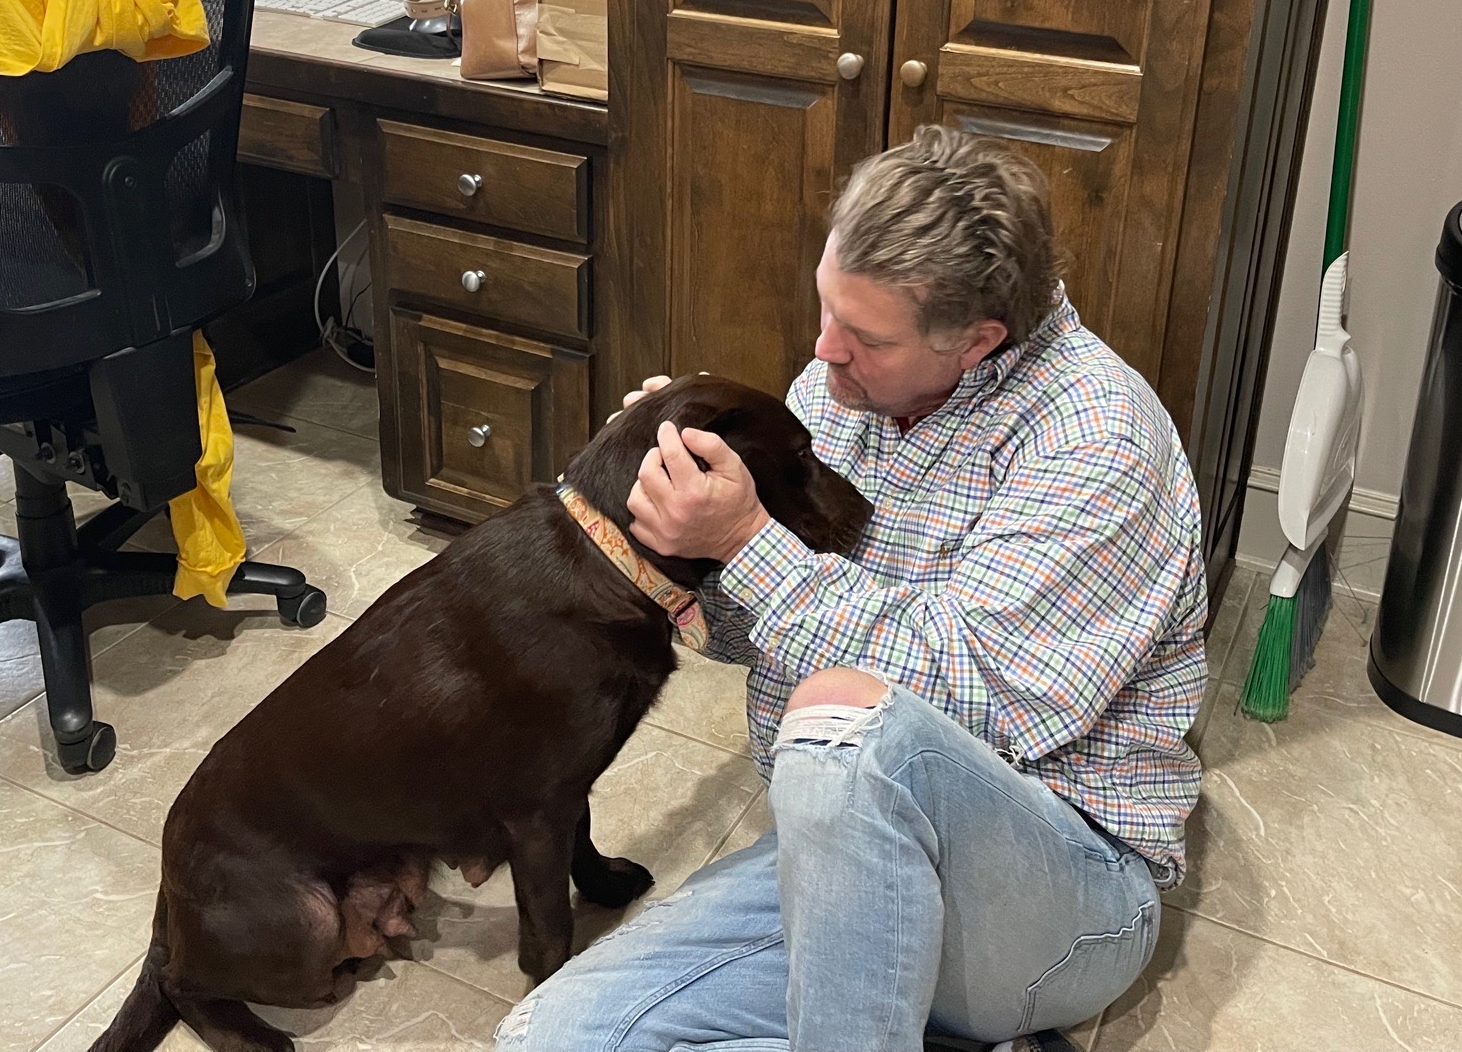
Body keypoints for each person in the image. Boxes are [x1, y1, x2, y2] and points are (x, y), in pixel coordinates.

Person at [497, 126, 1208, 1052]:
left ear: (977, 342)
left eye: (865, 337)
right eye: (827, 306)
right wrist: (674, 541)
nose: (822, 349)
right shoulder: (841, 392)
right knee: (552, 1038)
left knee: (845, 723)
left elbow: (979, 706)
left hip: (1063, 898)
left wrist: (747, 540)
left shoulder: (1095, 442)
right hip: (846, 850)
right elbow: (752, 632)